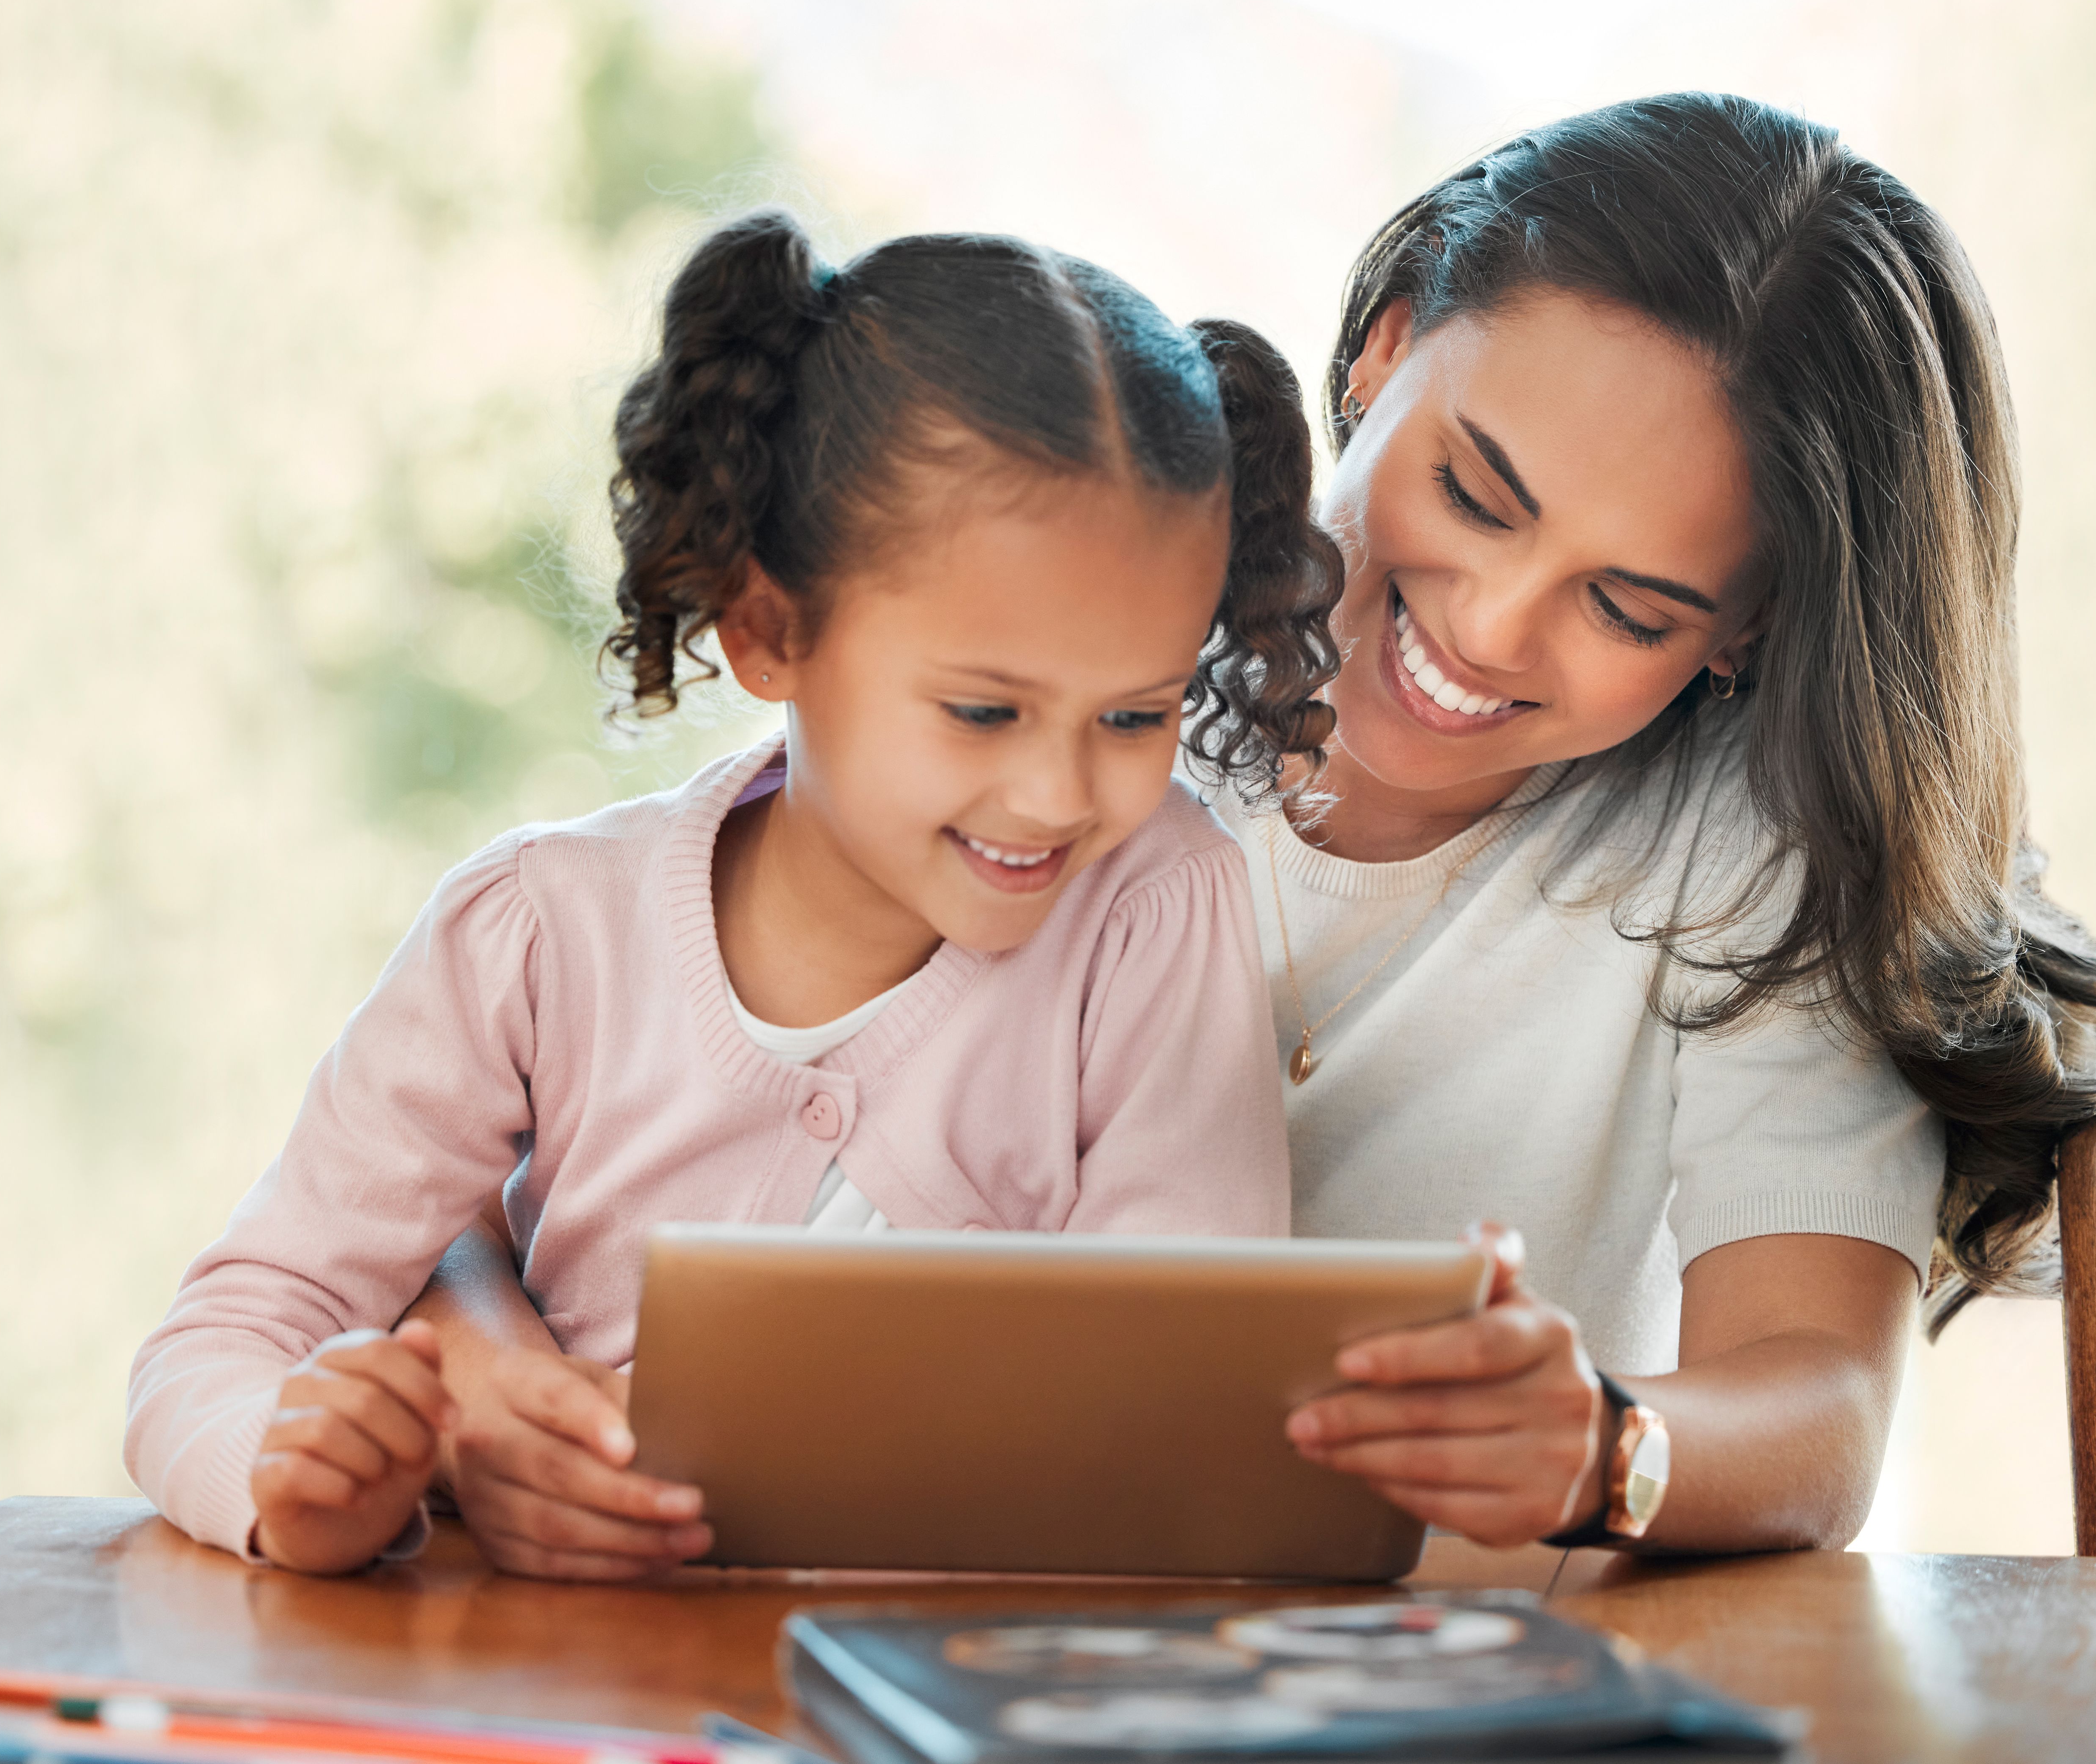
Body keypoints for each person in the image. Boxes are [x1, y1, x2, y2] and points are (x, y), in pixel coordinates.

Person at [407, 94, 2096, 1576]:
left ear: (1744, 629)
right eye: (1470, 491)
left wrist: (1605, 1447)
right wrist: (480, 1364)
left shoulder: (1747, 865)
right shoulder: (1068, 626)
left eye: (1628, 602)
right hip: (766, 1600)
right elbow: (511, 1134)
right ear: (1381, 346)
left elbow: (1813, 1404)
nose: (1489, 629)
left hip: (1338, 1678)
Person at [122, 210, 1342, 1574]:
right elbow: (231, 1332)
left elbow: (1180, 1394)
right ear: (769, 631)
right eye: (986, 710)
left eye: (1136, 714)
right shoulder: (536, 931)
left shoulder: (1152, 911)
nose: (1064, 796)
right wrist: (301, 1483)